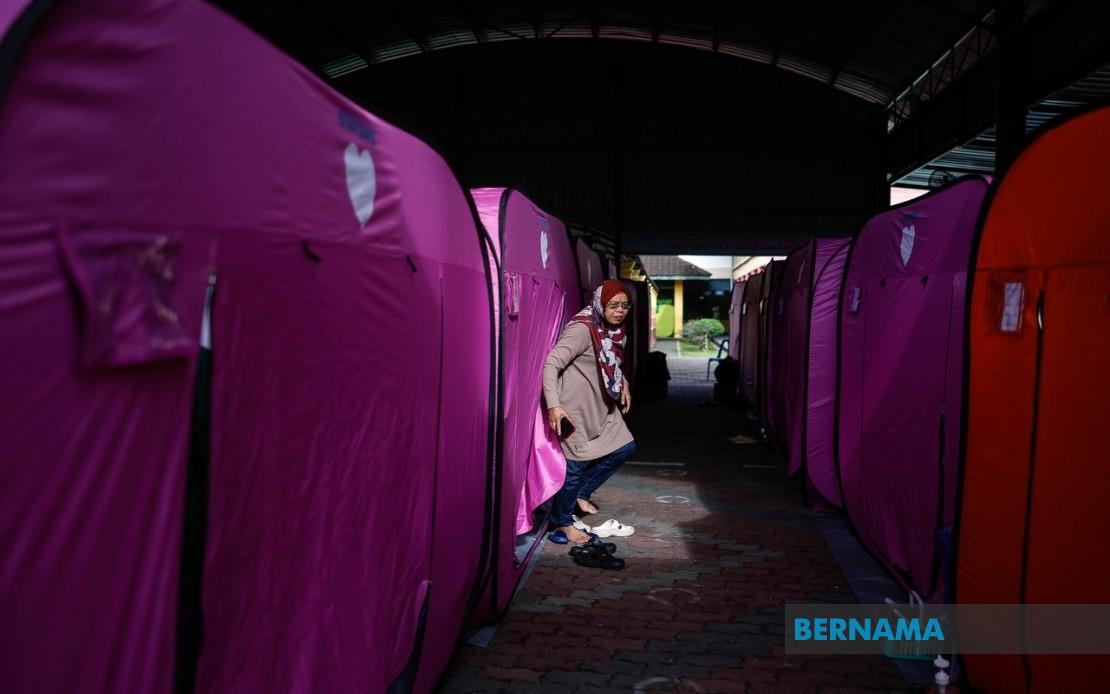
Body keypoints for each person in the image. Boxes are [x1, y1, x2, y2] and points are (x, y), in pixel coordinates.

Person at [543, 279, 637, 545]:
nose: (620, 311)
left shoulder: (616, 332)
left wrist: (623, 382)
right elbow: (551, 364)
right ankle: (561, 523)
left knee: (625, 447)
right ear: (600, 304)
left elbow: (610, 363)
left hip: (603, 406)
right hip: (575, 410)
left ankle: (580, 494)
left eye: (625, 306)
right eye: (613, 305)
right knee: (574, 467)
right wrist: (554, 405)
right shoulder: (583, 329)